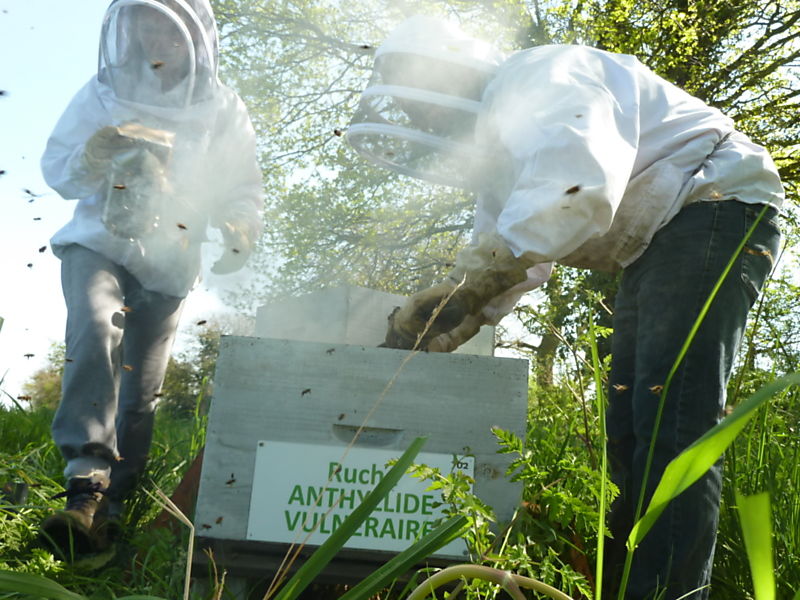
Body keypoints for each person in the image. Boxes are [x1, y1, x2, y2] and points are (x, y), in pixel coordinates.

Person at [347, 16, 783, 599]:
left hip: (713, 202)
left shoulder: (541, 76)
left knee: (673, 419)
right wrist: (452, 314)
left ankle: (668, 595)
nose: (422, 116)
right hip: (659, 239)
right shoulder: (499, 144)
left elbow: (578, 184)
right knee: (631, 430)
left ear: (447, 70)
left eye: (417, 91)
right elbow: (511, 249)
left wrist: (475, 283)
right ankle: (633, 586)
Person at [39, 0, 263, 557]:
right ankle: (84, 487)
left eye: (167, 24)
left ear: (194, 33)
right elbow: (58, 170)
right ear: (128, 26)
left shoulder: (222, 107)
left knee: (141, 393)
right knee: (96, 328)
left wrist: (239, 227)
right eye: (144, 21)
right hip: (99, 242)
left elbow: (241, 184)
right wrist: (92, 154)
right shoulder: (102, 92)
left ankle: (110, 516)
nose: (154, 35)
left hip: (169, 261)